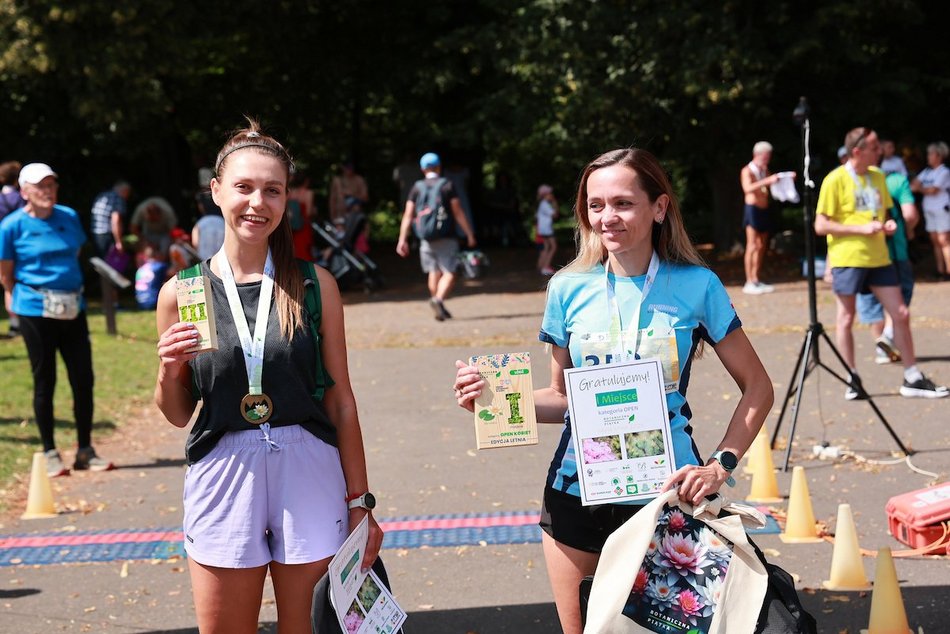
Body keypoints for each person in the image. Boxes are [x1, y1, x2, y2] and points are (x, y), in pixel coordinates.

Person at [453, 148, 774, 634]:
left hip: (668, 494)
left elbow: (758, 387)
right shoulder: (567, 287)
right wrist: (490, 400)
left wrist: (719, 466)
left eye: (623, 203)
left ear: (659, 207)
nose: (607, 217)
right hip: (575, 492)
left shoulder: (698, 285)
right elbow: (563, 398)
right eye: (596, 205)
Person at [153, 121, 382, 632]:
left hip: (308, 466)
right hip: (223, 467)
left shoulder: (314, 285)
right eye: (244, 187)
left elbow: (341, 401)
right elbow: (178, 413)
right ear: (216, 191)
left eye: (272, 190)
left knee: (312, 627)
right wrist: (169, 369)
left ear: (286, 199)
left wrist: (361, 503)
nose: (258, 202)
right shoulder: (183, 292)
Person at [815, 127, 947, 399]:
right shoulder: (834, 180)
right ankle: (852, 378)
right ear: (857, 151)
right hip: (848, 259)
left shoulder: (878, 177)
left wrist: (888, 225)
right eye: (874, 148)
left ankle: (912, 376)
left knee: (901, 313)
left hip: (879, 258)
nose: (881, 152)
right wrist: (860, 230)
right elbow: (821, 225)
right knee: (846, 318)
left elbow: (882, 213)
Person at [0, 163, 114, 476]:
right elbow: (5, 272)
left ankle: (85, 449)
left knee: (83, 377)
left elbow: (73, 253)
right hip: (34, 309)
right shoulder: (11, 226)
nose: (47, 191)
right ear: (24, 191)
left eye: (51, 185)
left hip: (72, 306)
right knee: (45, 379)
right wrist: (12, 296)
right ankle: (50, 451)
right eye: (40, 186)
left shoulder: (68, 216)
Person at [856, 148, 920, 365]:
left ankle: (882, 349)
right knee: (901, 295)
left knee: (872, 301)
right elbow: (910, 214)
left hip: (864, 253)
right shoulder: (896, 181)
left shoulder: (855, 181)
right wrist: (908, 231)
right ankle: (888, 335)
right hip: (894, 249)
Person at [396, 152, 476, 321]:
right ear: (439, 167)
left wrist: (402, 239)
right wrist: (469, 233)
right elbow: (457, 212)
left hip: (425, 238)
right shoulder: (447, 185)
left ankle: (437, 304)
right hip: (446, 236)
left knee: (433, 271)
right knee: (450, 271)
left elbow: (408, 215)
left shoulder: (417, 187)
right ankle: (438, 300)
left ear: (422, 169)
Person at [740, 141, 787, 294]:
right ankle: (748, 280)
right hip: (752, 209)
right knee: (752, 245)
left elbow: (771, 185)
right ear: (757, 155)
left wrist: (784, 179)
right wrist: (767, 180)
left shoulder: (764, 170)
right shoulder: (747, 170)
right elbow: (747, 188)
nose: (767, 160)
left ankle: (756, 278)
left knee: (761, 245)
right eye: (765, 157)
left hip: (764, 209)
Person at [910, 141, 950, 280]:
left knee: (944, 240)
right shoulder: (927, 172)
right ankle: (940, 270)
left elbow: (933, 190)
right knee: (935, 240)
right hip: (929, 210)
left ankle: (948, 270)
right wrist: (923, 189)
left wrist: (921, 189)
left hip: (941, 209)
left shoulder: (944, 172)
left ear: (939, 156)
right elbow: (913, 185)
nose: (928, 157)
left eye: (931, 154)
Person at [0, 161, 25, 337]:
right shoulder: (19, 199)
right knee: (18, 284)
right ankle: (23, 322)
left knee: (7, 285)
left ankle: (14, 324)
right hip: (17, 247)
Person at [90, 180, 131, 258]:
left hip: (95, 233)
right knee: (109, 262)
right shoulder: (118, 198)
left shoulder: (102, 195)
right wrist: (118, 242)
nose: (127, 196)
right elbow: (116, 220)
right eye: (128, 193)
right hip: (107, 234)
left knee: (100, 260)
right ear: (124, 191)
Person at [134, 243, 168, 310]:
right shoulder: (160, 266)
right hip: (153, 303)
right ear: (157, 255)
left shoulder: (140, 269)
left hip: (140, 302)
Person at [191, 198, 225, 263]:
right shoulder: (223, 222)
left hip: (204, 261)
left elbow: (195, 244)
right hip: (221, 261)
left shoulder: (199, 224)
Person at [535, 184, 559, 275]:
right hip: (546, 230)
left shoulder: (543, 204)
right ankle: (545, 267)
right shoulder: (545, 204)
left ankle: (542, 266)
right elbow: (555, 215)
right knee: (553, 246)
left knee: (546, 247)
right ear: (545, 195)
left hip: (542, 229)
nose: (552, 195)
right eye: (550, 194)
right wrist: (554, 202)